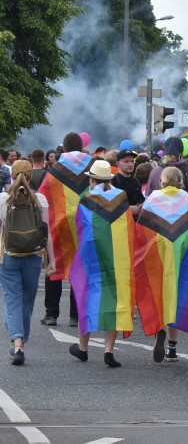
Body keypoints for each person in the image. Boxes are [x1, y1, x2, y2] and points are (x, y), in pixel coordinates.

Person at [67, 160, 136, 368]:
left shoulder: (86, 199)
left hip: (92, 257)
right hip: (117, 258)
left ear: (91, 179)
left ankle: (83, 348)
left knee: (86, 295)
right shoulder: (122, 198)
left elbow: (80, 227)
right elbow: (129, 228)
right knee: (115, 299)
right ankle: (108, 351)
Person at [134, 166, 188, 363]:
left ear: (162, 181)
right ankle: (172, 348)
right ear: (180, 181)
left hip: (157, 253)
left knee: (157, 290)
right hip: (181, 254)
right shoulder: (186, 199)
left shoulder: (153, 199)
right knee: (177, 294)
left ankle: (158, 330)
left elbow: (142, 231)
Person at [38, 132, 93, 327]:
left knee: (54, 267)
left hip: (59, 227)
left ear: (65, 148)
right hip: (84, 226)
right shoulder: (92, 168)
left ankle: (51, 314)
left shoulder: (54, 170)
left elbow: (43, 199)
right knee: (80, 269)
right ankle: (75, 316)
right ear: (81, 146)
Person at [0, 160, 51, 365]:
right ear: (31, 177)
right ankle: (23, 340)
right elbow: (47, 234)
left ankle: (18, 344)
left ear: (12, 177)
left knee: (11, 300)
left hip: (8, 255)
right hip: (33, 255)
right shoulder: (40, 199)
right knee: (27, 302)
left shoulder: (3, 199)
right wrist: (51, 261)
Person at [111, 149, 144, 218]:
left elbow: (140, 199)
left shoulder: (136, 180)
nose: (130, 164)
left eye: (132, 161)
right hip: (122, 223)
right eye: (126, 162)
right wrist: (129, 209)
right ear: (118, 164)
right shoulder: (114, 181)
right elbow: (110, 205)